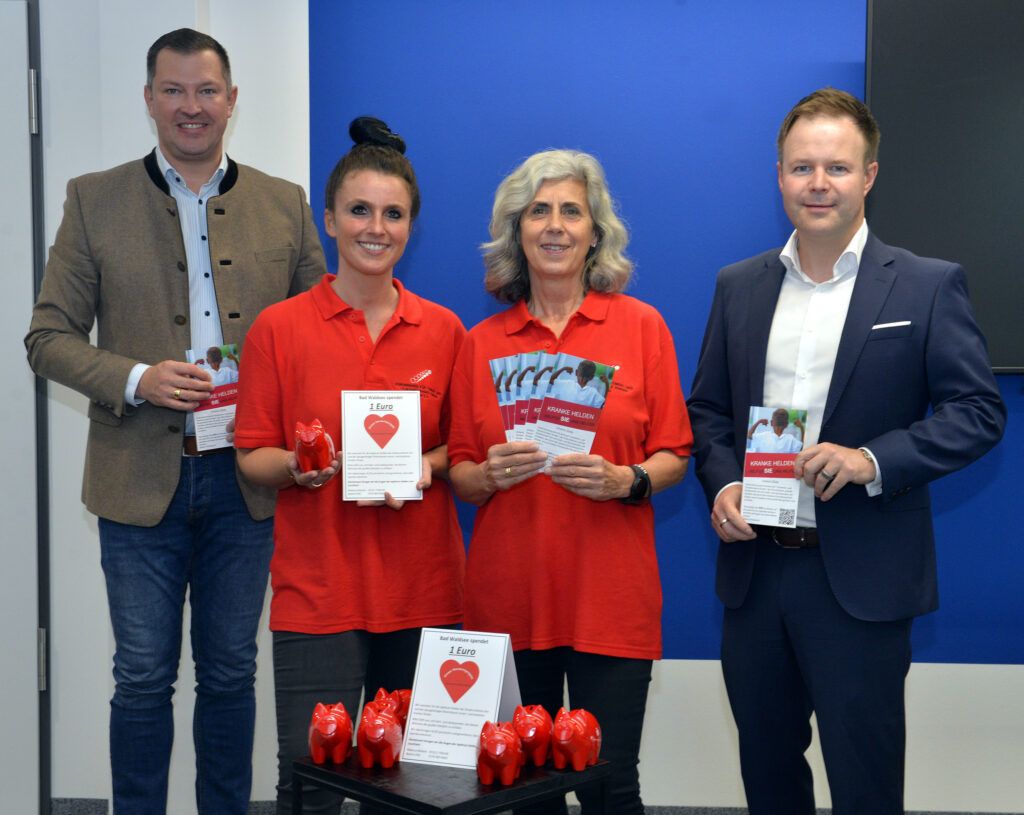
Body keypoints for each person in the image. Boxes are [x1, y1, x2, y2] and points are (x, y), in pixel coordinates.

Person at [24, 28, 325, 815]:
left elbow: (321, 332)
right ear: (149, 99)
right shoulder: (93, 198)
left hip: (245, 481)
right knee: (142, 677)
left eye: (206, 90)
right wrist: (137, 378)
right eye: (174, 90)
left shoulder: (284, 203)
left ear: (232, 100)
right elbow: (47, 337)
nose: (192, 106)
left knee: (229, 673)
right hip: (136, 480)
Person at [688, 88, 1006, 815]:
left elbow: (979, 411)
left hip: (862, 580)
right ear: (779, 176)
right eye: (803, 167)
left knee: (865, 782)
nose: (819, 183)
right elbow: (707, 410)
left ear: (869, 176)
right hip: (756, 572)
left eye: (837, 167)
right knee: (767, 772)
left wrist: (873, 459)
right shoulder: (738, 286)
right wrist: (723, 484)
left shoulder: (927, 284)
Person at [448, 149, 692, 815]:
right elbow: (461, 473)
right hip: (509, 598)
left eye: (571, 211)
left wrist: (626, 479)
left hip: (610, 599)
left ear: (595, 231)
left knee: (610, 786)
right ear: (516, 230)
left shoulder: (642, 327)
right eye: (538, 211)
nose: (555, 225)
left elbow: (675, 453)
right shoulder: (481, 342)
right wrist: (488, 474)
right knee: (525, 792)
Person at [233, 117, 466, 815]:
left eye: (393, 214)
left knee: (412, 789)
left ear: (411, 226)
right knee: (309, 786)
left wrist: (425, 465)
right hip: (318, 593)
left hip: (422, 592)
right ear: (329, 220)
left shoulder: (445, 331)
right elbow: (251, 455)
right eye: (359, 210)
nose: (376, 228)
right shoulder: (278, 328)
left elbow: (464, 449)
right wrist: (298, 467)